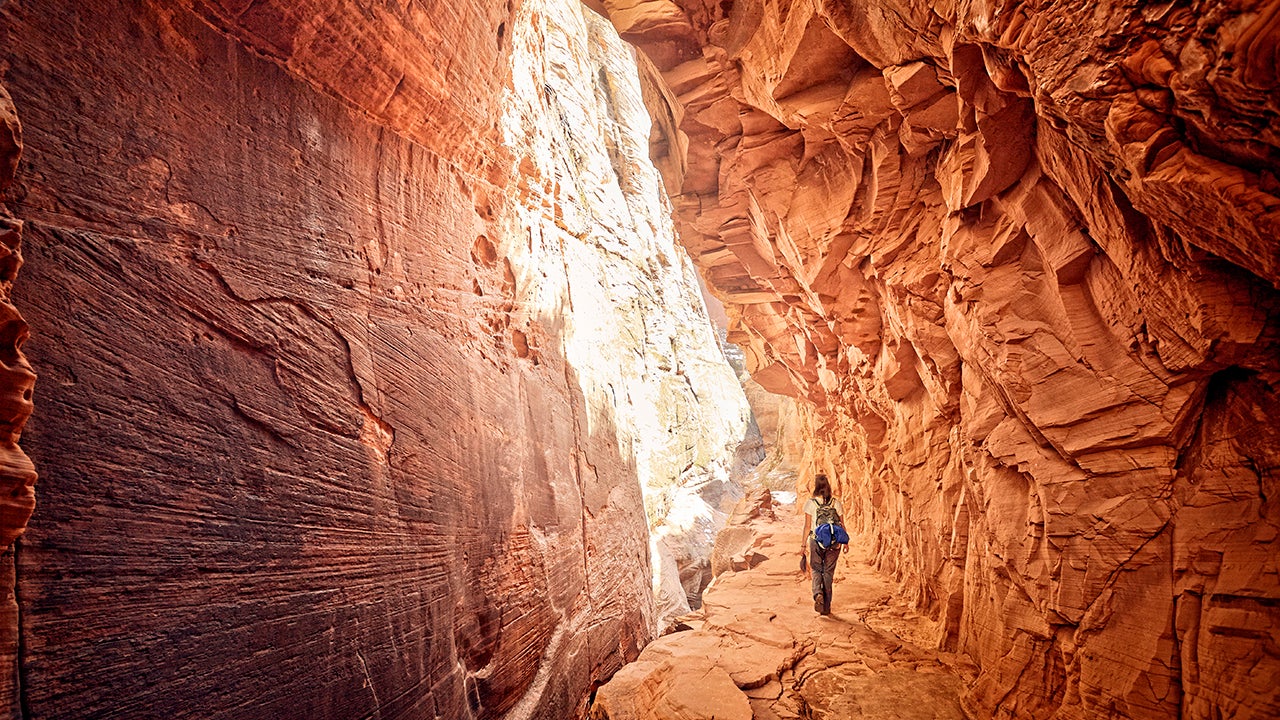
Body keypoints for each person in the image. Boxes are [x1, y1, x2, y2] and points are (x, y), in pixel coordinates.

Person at [801, 473, 844, 615]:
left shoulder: (811, 503)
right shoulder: (836, 503)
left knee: (816, 569)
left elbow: (807, 526)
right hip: (834, 542)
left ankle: (817, 593)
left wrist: (803, 545)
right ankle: (826, 607)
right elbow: (842, 525)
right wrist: (846, 542)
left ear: (815, 487)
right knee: (828, 572)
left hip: (816, 540)